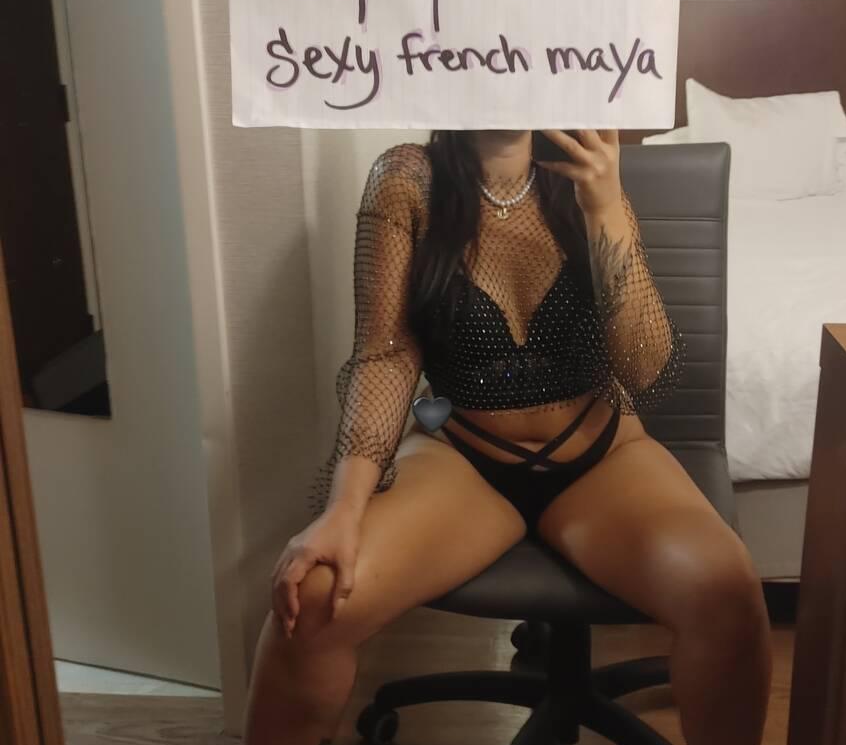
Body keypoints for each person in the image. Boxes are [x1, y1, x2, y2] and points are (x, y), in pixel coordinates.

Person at [243, 129, 771, 745]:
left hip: (603, 459)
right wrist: (343, 508)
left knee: (728, 596)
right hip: (462, 458)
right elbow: (385, 355)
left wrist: (604, 205)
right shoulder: (408, 178)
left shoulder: (588, 171)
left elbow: (645, 368)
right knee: (312, 602)